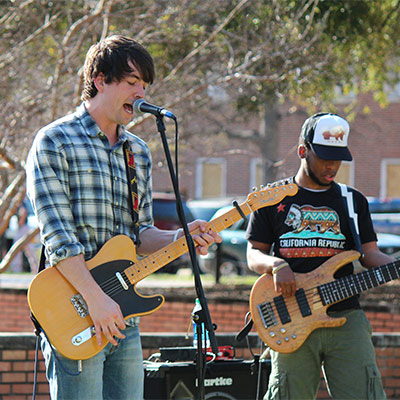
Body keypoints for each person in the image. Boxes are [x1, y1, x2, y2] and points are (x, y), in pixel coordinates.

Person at [26, 34, 221, 400]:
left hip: (123, 315)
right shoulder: (54, 141)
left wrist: (181, 237)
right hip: (76, 310)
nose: (141, 94)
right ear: (100, 79)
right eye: (132, 83)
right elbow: (58, 238)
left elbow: (139, 234)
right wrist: (95, 301)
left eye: (144, 85)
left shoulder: (138, 152)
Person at [246, 112, 393, 400]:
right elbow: (253, 253)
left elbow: (371, 254)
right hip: (290, 319)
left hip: (346, 317)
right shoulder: (271, 198)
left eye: (338, 158)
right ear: (303, 151)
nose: (332, 166)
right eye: (324, 156)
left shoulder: (352, 201)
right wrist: (276, 265)